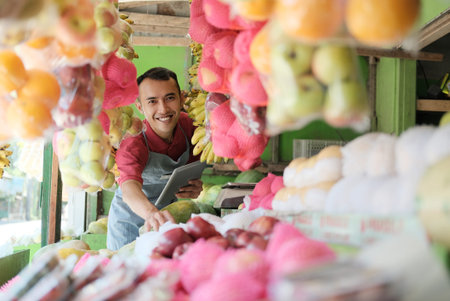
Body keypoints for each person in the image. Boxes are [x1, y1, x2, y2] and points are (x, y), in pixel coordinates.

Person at [107, 67, 203, 251]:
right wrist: (151, 213)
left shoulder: (190, 127)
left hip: (167, 218)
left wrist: (194, 187)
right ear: (140, 107)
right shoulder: (133, 143)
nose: (163, 109)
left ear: (181, 98)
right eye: (152, 101)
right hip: (129, 223)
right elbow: (128, 188)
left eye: (170, 98)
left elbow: (192, 171)